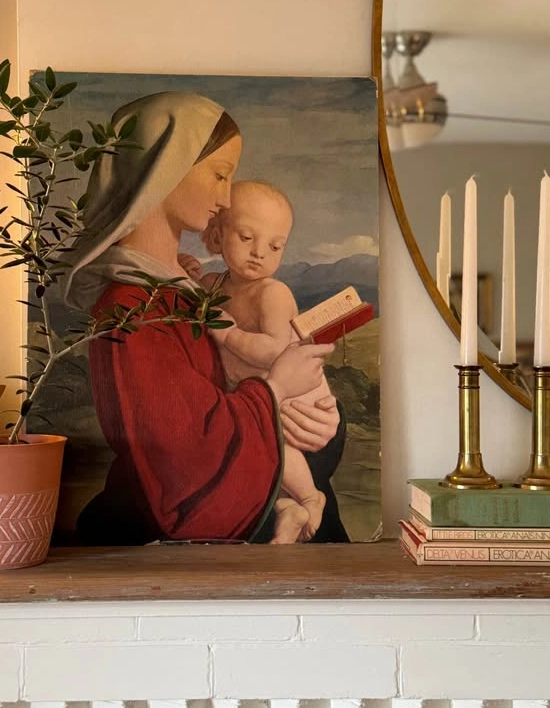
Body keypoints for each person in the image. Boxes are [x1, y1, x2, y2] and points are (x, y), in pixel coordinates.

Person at [64, 90, 350, 545]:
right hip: (191, 526)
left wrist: (323, 423)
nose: (225, 196)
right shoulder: (132, 307)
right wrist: (276, 391)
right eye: (219, 175)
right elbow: (183, 453)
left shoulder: (183, 286)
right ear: (165, 169)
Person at [180, 180, 329, 544]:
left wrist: (229, 334)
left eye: (275, 246)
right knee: (248, 453)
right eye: (246, 238)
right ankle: (284, 507)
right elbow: (194, 297)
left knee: (277, 442)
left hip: (293, 393)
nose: (260, 252)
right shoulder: (214, 283)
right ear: (217, 237)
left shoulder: (272, 293)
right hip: (254, 392)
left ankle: (310, 497)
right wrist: (184, 271)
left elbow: (275, 350)